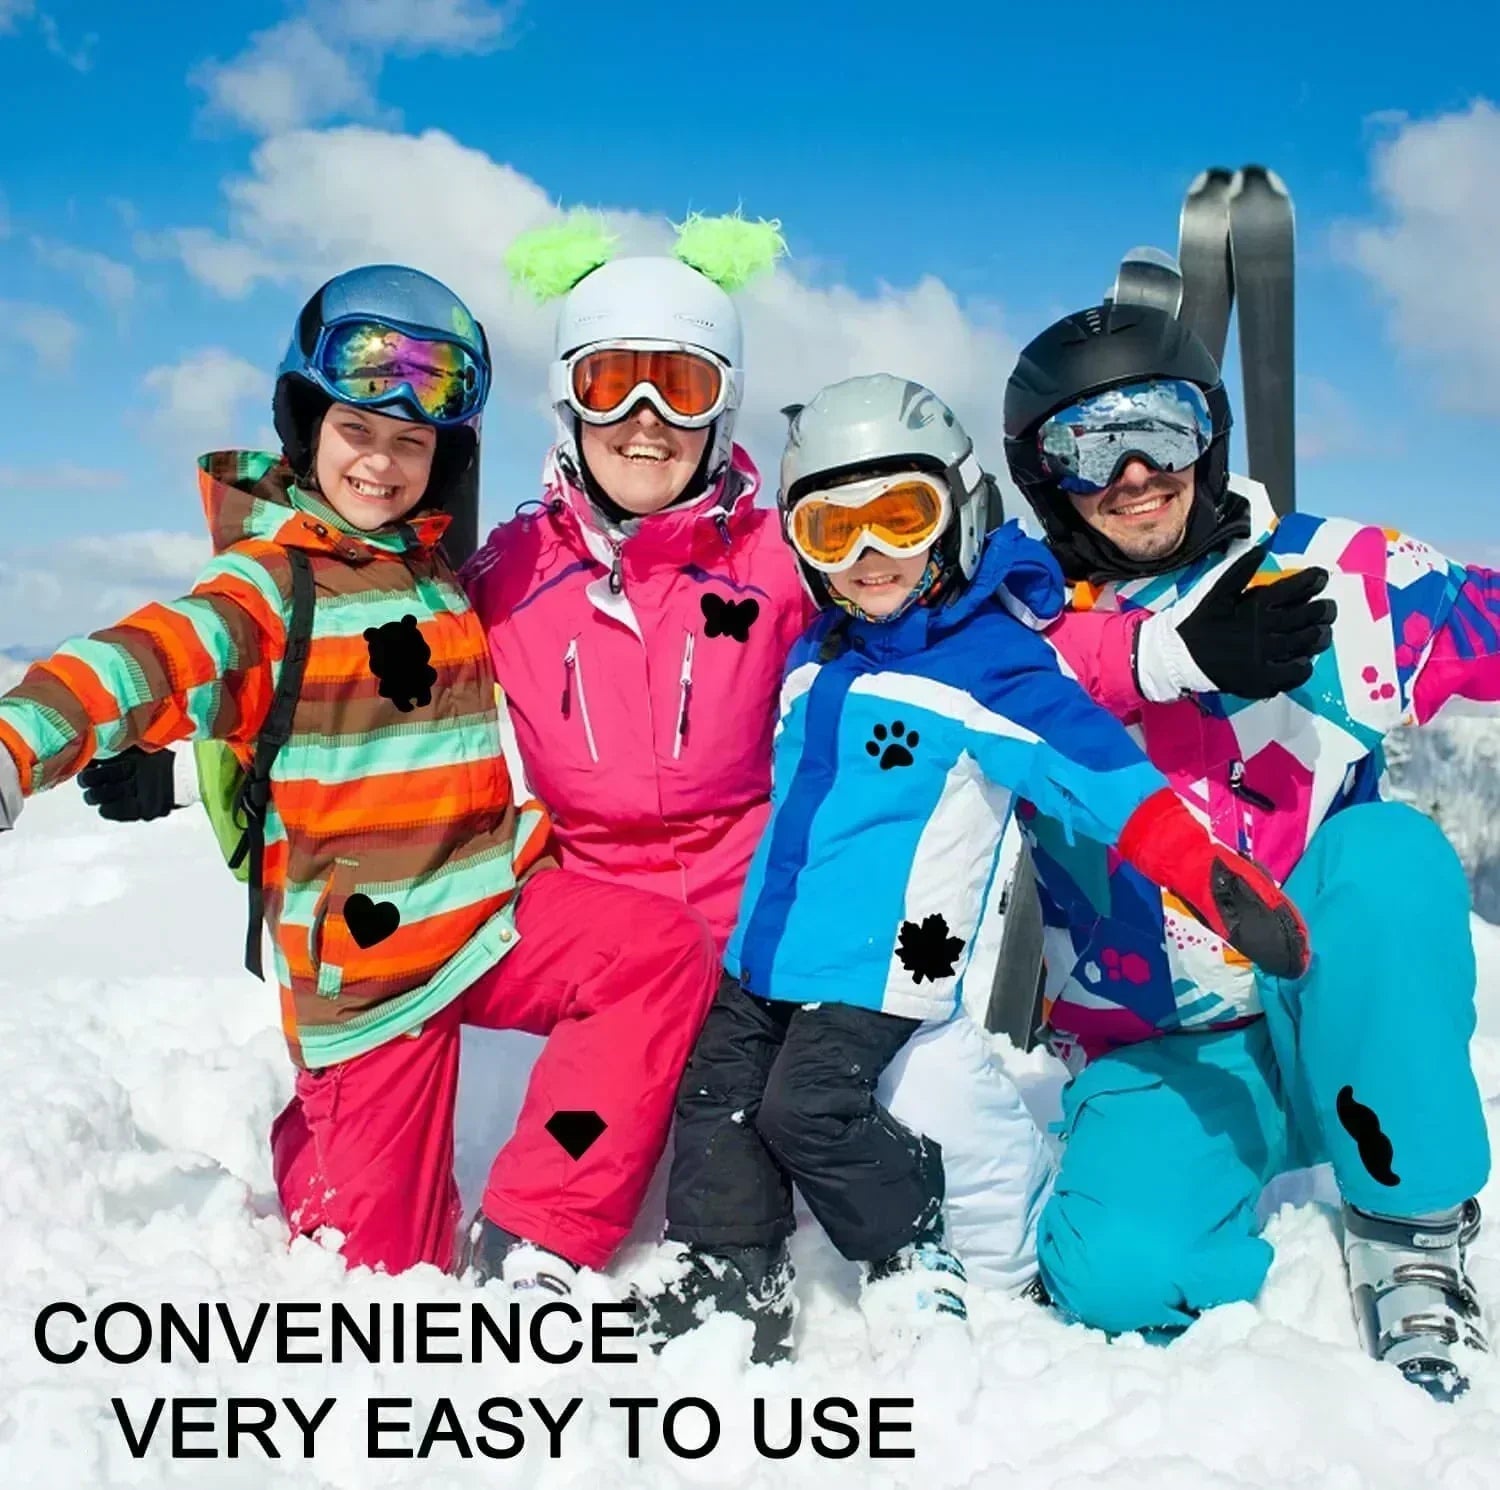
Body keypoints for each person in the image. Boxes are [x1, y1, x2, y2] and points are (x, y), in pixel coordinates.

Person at [0, 264, 719, 1294]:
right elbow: (146, 658)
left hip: (489, 907)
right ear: (307, 427)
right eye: (357, 431)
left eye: (412, 443)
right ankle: (325, 1146)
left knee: (655, 954)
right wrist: (18, 740)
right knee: (383, 1268)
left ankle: (543, 1227)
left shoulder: (432, 570)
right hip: (370, 976)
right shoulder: (269, 584)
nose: (382, 462)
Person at [632, 373, 1316, 1364]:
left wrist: (1201, 871)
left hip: (879, 962)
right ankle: (733, 1268)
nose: (869, 555)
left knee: (808, 1108)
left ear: (956, 510)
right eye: (833, 530)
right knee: (717, 1095)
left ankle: (908, 1249)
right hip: (768, 951)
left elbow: (1097, 770)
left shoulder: (989, 664)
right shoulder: (821, 653)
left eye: (901, 517)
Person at [998, 297, 1500, 1400]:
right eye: (1089, 447)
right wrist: (1162, 652)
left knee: (1386, 856)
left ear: (1210, 433)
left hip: (1340, 1012)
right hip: (1164, 1051)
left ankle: (1412, 1229)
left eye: (1161, 428)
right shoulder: (1019, 629)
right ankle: (1208, 1194)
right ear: (1043, 476)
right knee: (1118, 1277)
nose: (1135, 473)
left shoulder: (1339, 574)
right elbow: (912, 673)